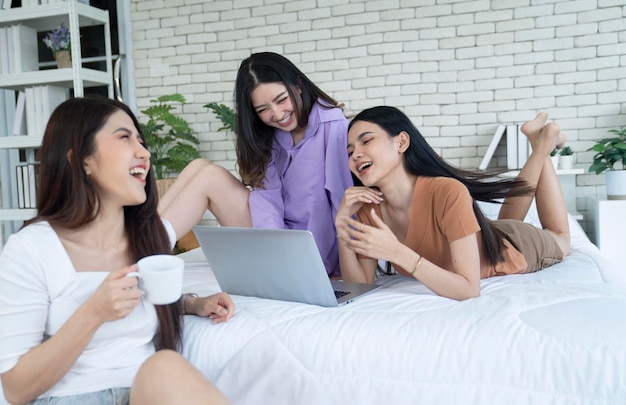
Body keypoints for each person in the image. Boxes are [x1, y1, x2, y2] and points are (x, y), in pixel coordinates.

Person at [0, 96, 234, 405]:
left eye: (141, 140)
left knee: (164, 366)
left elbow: (139, 299)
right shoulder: (31, 249)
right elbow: (16, 389)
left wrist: (192, 304)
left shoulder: (149, 239)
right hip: (70, 398)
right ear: (82, 159)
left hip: (145, 392)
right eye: (124, 137)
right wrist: (93, 313)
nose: (144, 152)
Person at [335, 106, 571, 300]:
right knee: (503, 222)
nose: (355, 154)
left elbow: (468, 289)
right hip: (487, 236)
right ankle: (539, 138)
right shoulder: (369, 207)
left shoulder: (447, 191)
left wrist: (398, 253)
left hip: (516, 247)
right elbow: (359, 285)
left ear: (401, 142)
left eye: (366, 141)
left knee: (560, 237)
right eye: (350, 150)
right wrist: (343, 226)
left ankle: (544, 143)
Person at [159, 52, 353, 277]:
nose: (277, 114)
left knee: (209, 177)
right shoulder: (272, 135)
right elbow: (268, 197)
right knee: (198, 166)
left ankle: (144, 250)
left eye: (281, 100)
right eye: (263, 110)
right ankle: (139, 243)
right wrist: (273, 243)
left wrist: (346, 266)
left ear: (298, 85)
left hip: (312, 249)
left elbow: (344, 199)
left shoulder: (334, 126)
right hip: (278, 238)